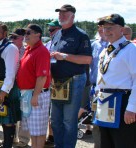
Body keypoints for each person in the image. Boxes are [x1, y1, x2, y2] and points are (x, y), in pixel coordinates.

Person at [50, 4, 92, 147]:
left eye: (64, 13)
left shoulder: (81, 35)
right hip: (57, 82)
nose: (61, 16)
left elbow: (87, 59)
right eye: (59, 13)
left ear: (72, 16)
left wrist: (65, 56)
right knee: (55, 119)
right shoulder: (57, 34)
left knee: (69, 121)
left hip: (74, 80)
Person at [94, 13, 136, 148]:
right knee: (105, 143)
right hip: (105, 101)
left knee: (123, 142)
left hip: (122, 102)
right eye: (104, 28)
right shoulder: (106, 51)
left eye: (111, 27)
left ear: (122, 29)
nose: (107, 31)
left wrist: (132, 108)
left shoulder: (131, 50)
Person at [17, 24, 51, 148]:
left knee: (39, 131)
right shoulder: (29, 49)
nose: (25, 35)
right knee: (33, 129)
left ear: (38, 34)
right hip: (28, 94)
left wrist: (35, 96)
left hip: (37, 94)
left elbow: (42, 76)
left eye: (28, 33)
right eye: (24, 33)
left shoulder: (41, 51)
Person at [8, 28, 31, 147]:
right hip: (11, 84)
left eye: (15, 37)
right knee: (12, 111)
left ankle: (23, 139)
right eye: (11, 37)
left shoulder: (27, 50)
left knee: (24, 113)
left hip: (23, 85)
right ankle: (13, 137)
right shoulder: (9, 49)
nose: (12, 39)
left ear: (22, 38)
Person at [88, 21, 109, 148]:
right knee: (96, 120)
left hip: (110, 90)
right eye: (99, 27)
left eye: (104, 27)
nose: (101, 29)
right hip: (94, 89)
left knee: (108, 121)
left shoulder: (114, 46)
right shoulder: (94, 45)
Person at [44, 19, 61, 145]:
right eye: (49, 29)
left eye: (53, 29)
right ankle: (51, 135)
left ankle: (55, 136)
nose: (50, 32)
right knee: (50, 110)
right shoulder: (48, 44)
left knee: (56, 111)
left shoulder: (62, 43)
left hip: (60, 81)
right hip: (49, 81)